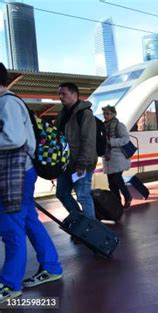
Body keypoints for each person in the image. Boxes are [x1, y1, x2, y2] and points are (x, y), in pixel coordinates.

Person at [0, 63, 63, 303]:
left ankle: (9, 284)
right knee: (26, 221)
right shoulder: (8, 102)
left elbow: (14, 138)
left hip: (15, 174)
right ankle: (52, 266)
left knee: (10, 226)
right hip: (19, 173)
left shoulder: (7, 103)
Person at [55, 82, 97, 219]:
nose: (60, 97)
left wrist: (82, 163)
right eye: (59, 94)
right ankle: (80, 221)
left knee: (83, 196)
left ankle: (91, 230)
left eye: (64, 94)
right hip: (65, 163)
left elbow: (88, 140)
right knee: (61, 193)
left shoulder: (84, 114)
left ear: (74, 94)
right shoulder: (62, 114)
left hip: (80, 164)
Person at [102, 105, 133, 208]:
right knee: (111, 183)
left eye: (108, 113)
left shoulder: (119, 125)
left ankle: (128, 196)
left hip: (118, 157)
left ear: (114, 114)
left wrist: (111, 142)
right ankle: (117, 203)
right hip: (108, 157)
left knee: (117, 179)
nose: (106, 116)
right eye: (104, 114)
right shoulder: (103, 126)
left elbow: (125, 139)